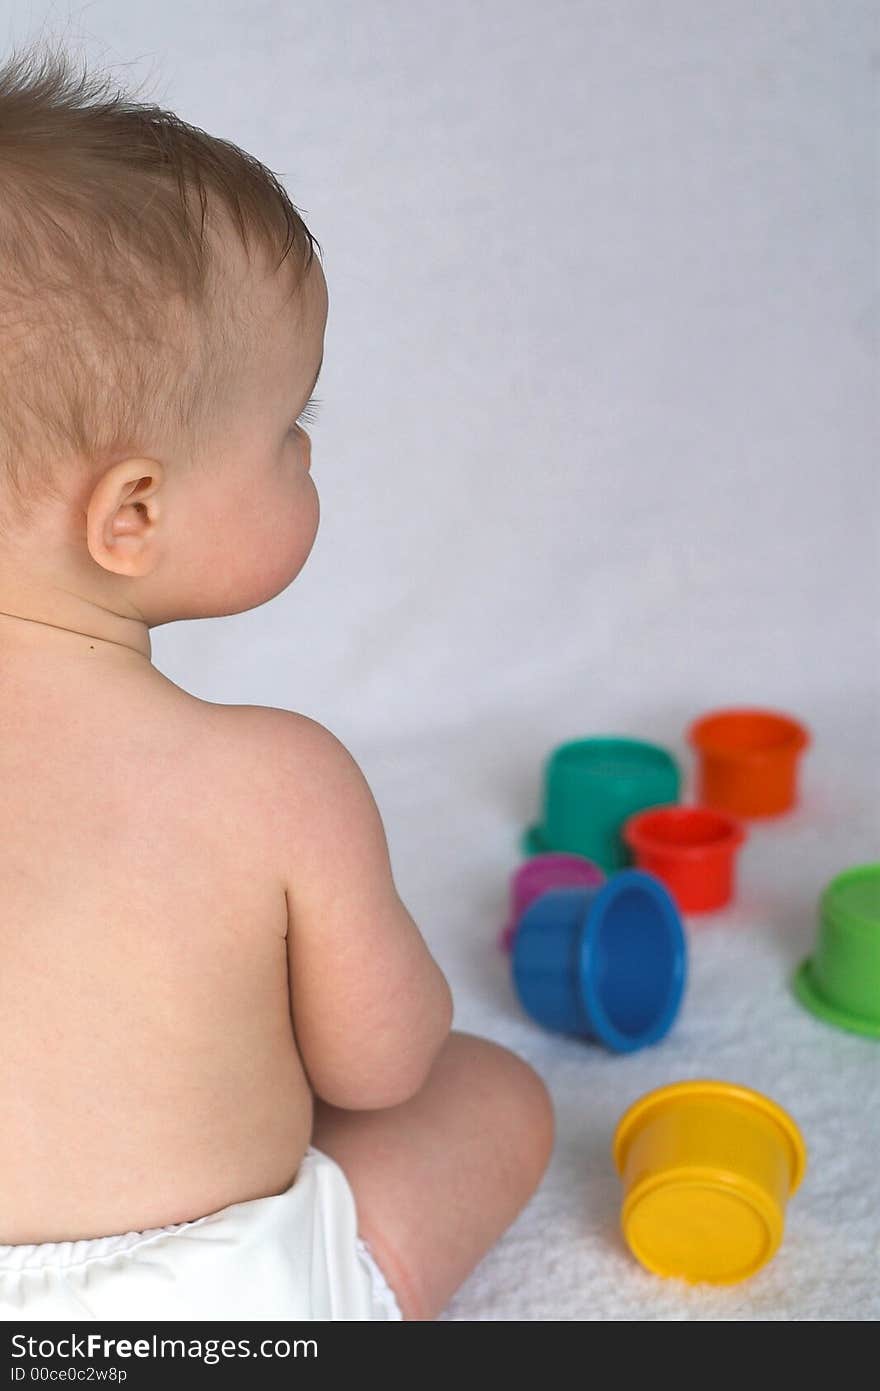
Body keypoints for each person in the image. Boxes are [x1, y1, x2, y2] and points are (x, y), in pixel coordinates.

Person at [0, 40, 553, 1321]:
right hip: (204, 1313)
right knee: (486, 1094)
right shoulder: (275, 777)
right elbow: (382, 1066)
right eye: (288, 427)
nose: (304, 453)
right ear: (130, 514)